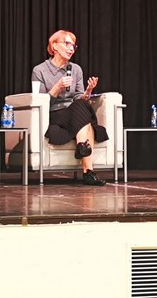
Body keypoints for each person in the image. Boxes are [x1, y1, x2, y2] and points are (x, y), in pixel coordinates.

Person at [31, 30, 110, 186]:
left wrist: (88, 92)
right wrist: (57, 87)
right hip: (54, 113)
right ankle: (88, 172)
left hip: (75, 112)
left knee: (82, 106)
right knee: (86, 122)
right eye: (67, 44)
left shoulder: (76, 69)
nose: (71, 48)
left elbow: (79, 98)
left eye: (73, 46)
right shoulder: (39, 70)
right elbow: (41, 103)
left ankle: (82, 148)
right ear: (54, 46)